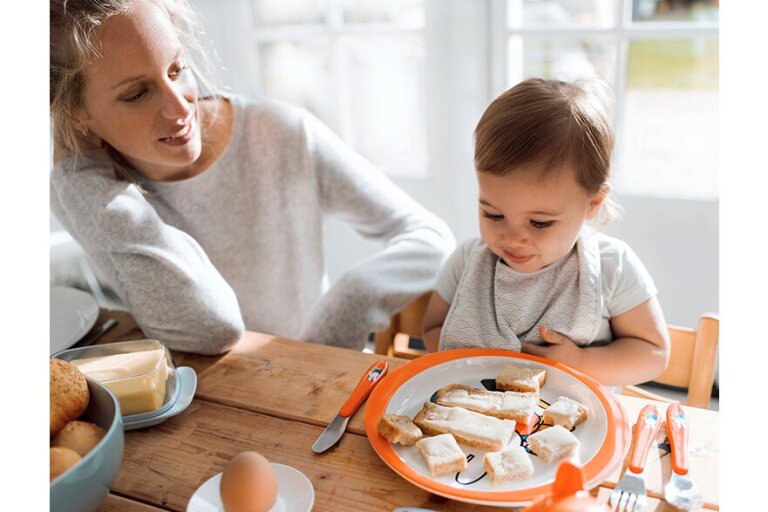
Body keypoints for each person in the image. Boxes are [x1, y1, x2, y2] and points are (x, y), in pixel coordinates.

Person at [49, 0, 455, 355]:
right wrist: (79, 181)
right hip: (208, 404)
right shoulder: (85, 192)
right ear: (74, 113)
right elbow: (210, 328)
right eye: (137, 94)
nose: (178, 108)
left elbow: (431, 237)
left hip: (318, 378)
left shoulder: (282, 134)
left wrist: (353, 298)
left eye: (177, 69)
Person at [422, 78, 669, 386]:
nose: (512, 238)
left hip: (574, 428)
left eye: (539, 223)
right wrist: (474, 365)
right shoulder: (467, 261)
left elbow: (653, 353)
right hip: (474, 416)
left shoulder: (611, 268)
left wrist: (581, 361)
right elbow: (434, 329)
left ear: (593, 203)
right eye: (493, 214)